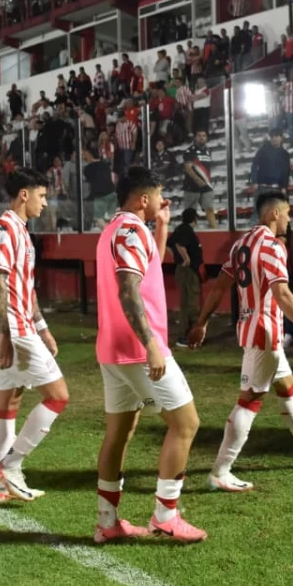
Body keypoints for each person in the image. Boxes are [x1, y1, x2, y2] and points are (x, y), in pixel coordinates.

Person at [188, 191, 293, 492]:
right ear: (273, 215)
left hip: (254, 330)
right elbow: (282, 293)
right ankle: (221, 470)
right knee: (250, 400)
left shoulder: (241, 244)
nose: (289, 219)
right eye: (287, 213)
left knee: (287, 387)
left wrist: (201, 323)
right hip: (264, 332)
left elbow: (218, 288)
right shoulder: (272, 246)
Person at [93, 166, 204, 543]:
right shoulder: (129, 230)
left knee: (119, 433)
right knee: (186, 423)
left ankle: (107, 522)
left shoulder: (116, 229)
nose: (163, 200)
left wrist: (162, 226)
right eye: (158, 195)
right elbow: (129, 289)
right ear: (143, 199)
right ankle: (166, 517)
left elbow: (147, 265)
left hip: (112, 349)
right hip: (137, 349)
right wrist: (152, 345)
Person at [0, 169, 68, 504]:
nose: (44, 203)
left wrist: (43, 327)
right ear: (24, 194)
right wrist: (7, 334)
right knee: (58, 395)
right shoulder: (4, 229)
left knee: (9, 401)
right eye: (42, 196)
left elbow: (26, 287)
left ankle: (2, 485)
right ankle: (11, 465)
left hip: (18, 324)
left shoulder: (20, 231)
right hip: (12, 327)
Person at [168, 208, 203, 347]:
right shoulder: (187, 230)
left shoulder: (179, 229)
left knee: (185, 302)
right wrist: (186, 259)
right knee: (192, 302)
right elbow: (179, 245)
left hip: (182, 270)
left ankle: (185, 334)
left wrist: (176, 258)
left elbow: (169, 245)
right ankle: (189, 336)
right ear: (194, 219)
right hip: (188, 271)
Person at [181, 129, 218, 228]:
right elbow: (188, 168)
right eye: (199, 135)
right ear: (195, 138)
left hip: (206, 185)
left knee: (209, 208)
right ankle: (190, 233)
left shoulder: (208, 151)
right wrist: (197, 179)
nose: (202, 138)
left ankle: (214, 230)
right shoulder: (190, 151)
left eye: (204, 135)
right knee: (191, 212)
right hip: (192, 185)